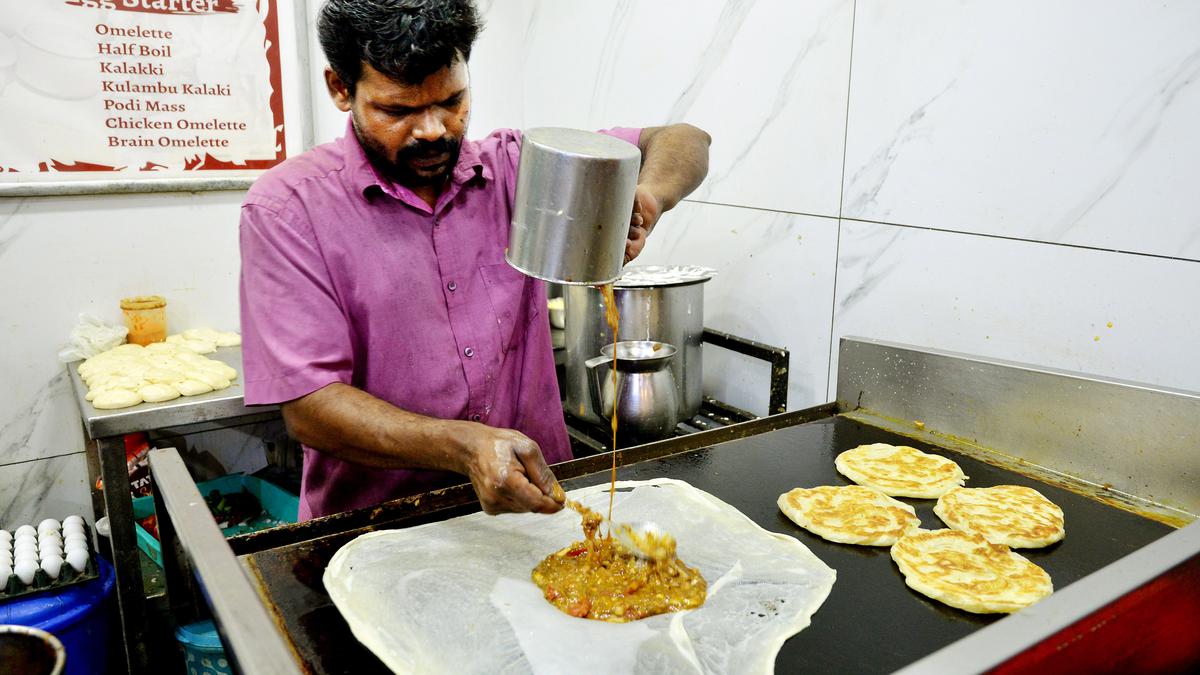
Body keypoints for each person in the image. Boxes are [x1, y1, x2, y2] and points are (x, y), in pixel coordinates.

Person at [238, 0, 711, 520]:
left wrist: (649, 195)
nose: (433, 129)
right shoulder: (288, 210)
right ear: (340, 88)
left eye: (452, 100)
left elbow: (684, 141)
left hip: (534, 513)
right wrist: (465, 447)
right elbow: (310, 407)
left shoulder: (519, 170)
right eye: (398, 111)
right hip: (377, 527)